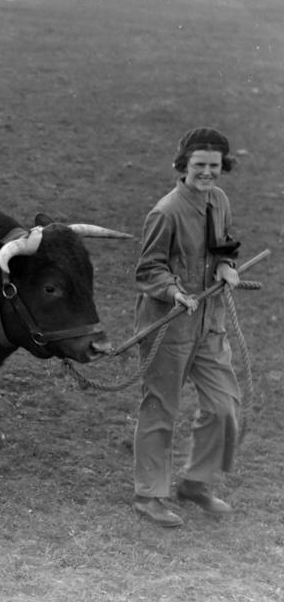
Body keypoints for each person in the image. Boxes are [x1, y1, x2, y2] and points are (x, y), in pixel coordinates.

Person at [131, 127, 242, 528]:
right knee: (161, 408)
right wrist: (173, 290)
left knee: (224, 406)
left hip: (209, 321)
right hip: (170, 322)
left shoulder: (220, 199)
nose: (207, 173)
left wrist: (227, 264)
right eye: (199, 166)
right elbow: (148, 269)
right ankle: (149, 495)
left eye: (214, 166)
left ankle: (196, 482)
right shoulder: (166, 211)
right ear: (183, 166)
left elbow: (224, 242)